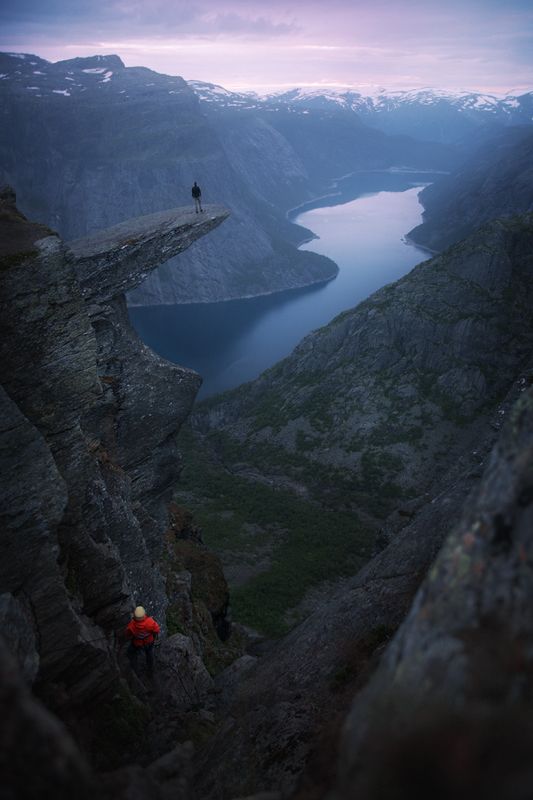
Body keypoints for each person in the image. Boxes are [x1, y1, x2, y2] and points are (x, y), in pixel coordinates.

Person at [125, 606, 160, 675]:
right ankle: (150, 671)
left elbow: (128, 634)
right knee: (149, 654)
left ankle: (135, 670)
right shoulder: (150, 622)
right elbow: (156, 630)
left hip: (137, 643)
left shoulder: (131, 625)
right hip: (149, 641)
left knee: (131, 652)